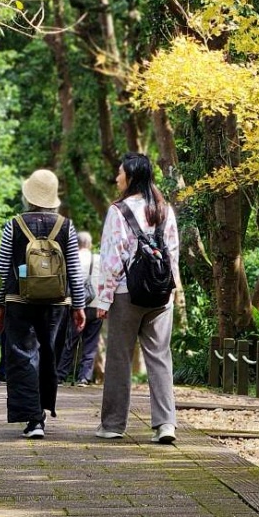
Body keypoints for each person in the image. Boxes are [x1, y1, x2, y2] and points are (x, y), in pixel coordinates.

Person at [94, 153, 181, 443]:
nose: (116, 178)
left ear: (130, 176)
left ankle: (113, 425)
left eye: (120, 173)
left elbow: (111, 258)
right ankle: (165, 424)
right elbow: (172, 252)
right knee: (160, 358)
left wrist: (103, 300)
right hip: (160, 294)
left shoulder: (118, 211)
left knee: (119, 358)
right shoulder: (163, 209)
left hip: (126, 293)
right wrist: (172, 288)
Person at [0, 168, 86, 439]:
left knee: (23, 355)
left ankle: (33, 420)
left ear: (29, 196)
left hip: (19, 300)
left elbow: (1, 266)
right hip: (57, 303)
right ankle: (41, 412)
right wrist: (79, 306)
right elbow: (73, 268)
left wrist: (0, 305)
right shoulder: (65, 226)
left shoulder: (14, 223)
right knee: (49, 355)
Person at [57, 231, 103, 386]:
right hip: (96, 305)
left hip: (75, 305)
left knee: (70, 342)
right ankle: (84, 377)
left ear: (76, 244)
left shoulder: (71, 259)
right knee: (90, 343)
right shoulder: (99, 259)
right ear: (89, 244)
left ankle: (61, 376)